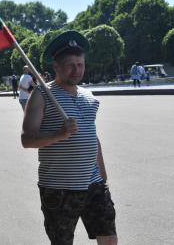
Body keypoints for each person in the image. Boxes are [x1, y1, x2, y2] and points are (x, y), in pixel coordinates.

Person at [21, 31, 117, 245]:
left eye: (80, 64)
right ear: (56, 66)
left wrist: (103, 176)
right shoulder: (42, 95)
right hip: (59, 187)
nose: (77, 70)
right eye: (70, 65)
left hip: (94, 184)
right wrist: (59, 134)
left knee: (109, 237)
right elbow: (27, 139)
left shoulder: (88, 97)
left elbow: (92, 137)